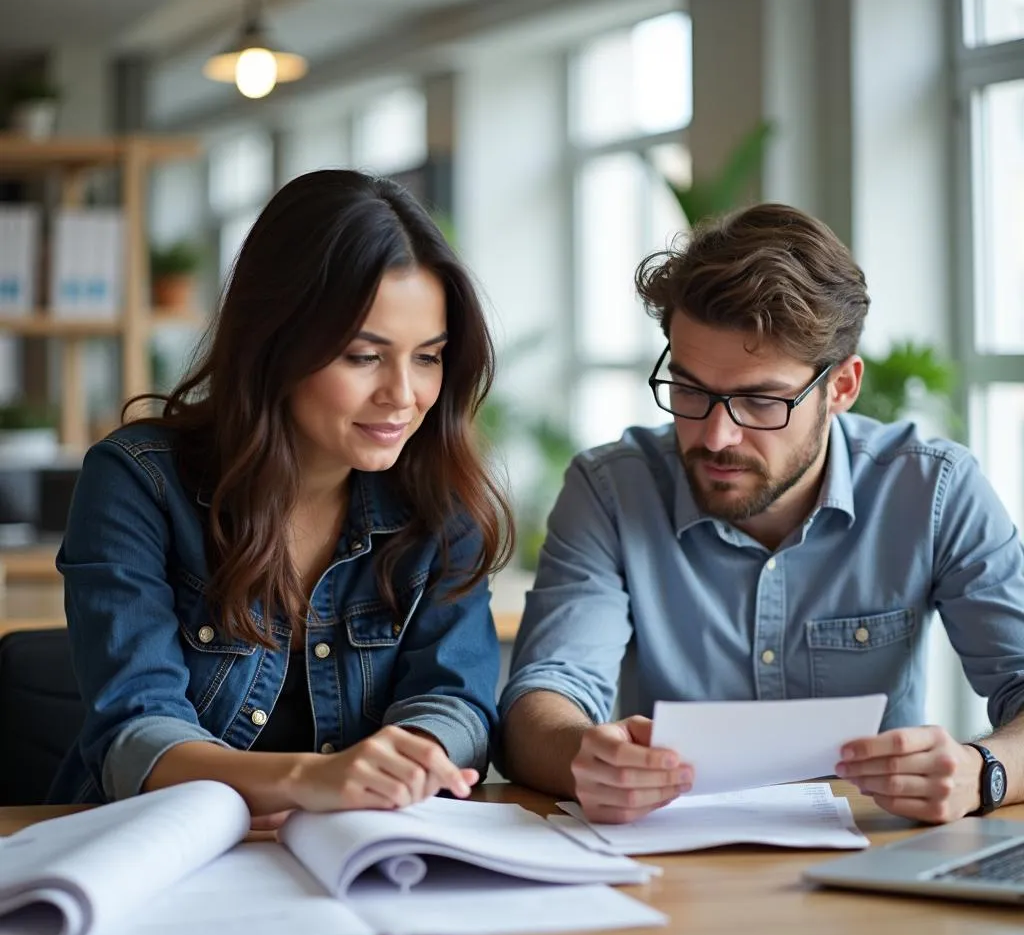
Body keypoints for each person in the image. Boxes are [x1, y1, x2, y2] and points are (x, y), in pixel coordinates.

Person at [499, 203, 1024, 826]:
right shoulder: (612, 489)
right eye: (690, 389)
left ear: (843, 388)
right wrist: (585, 755)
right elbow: (541, 700)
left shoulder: (932, 488)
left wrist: (983, 770)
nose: (717, 435)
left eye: (759, 400)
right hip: (674, 876)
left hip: (878, 864)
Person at [50, 169, 513, 822]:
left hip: (364, 850)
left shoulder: (441, 494)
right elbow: (135, 736)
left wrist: (407, 762)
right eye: (363, 356)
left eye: (428, 357)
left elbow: (456, 699)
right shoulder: (139, 481)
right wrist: (312, 778)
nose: (403, 395)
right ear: (276, 343)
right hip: (155, 852)